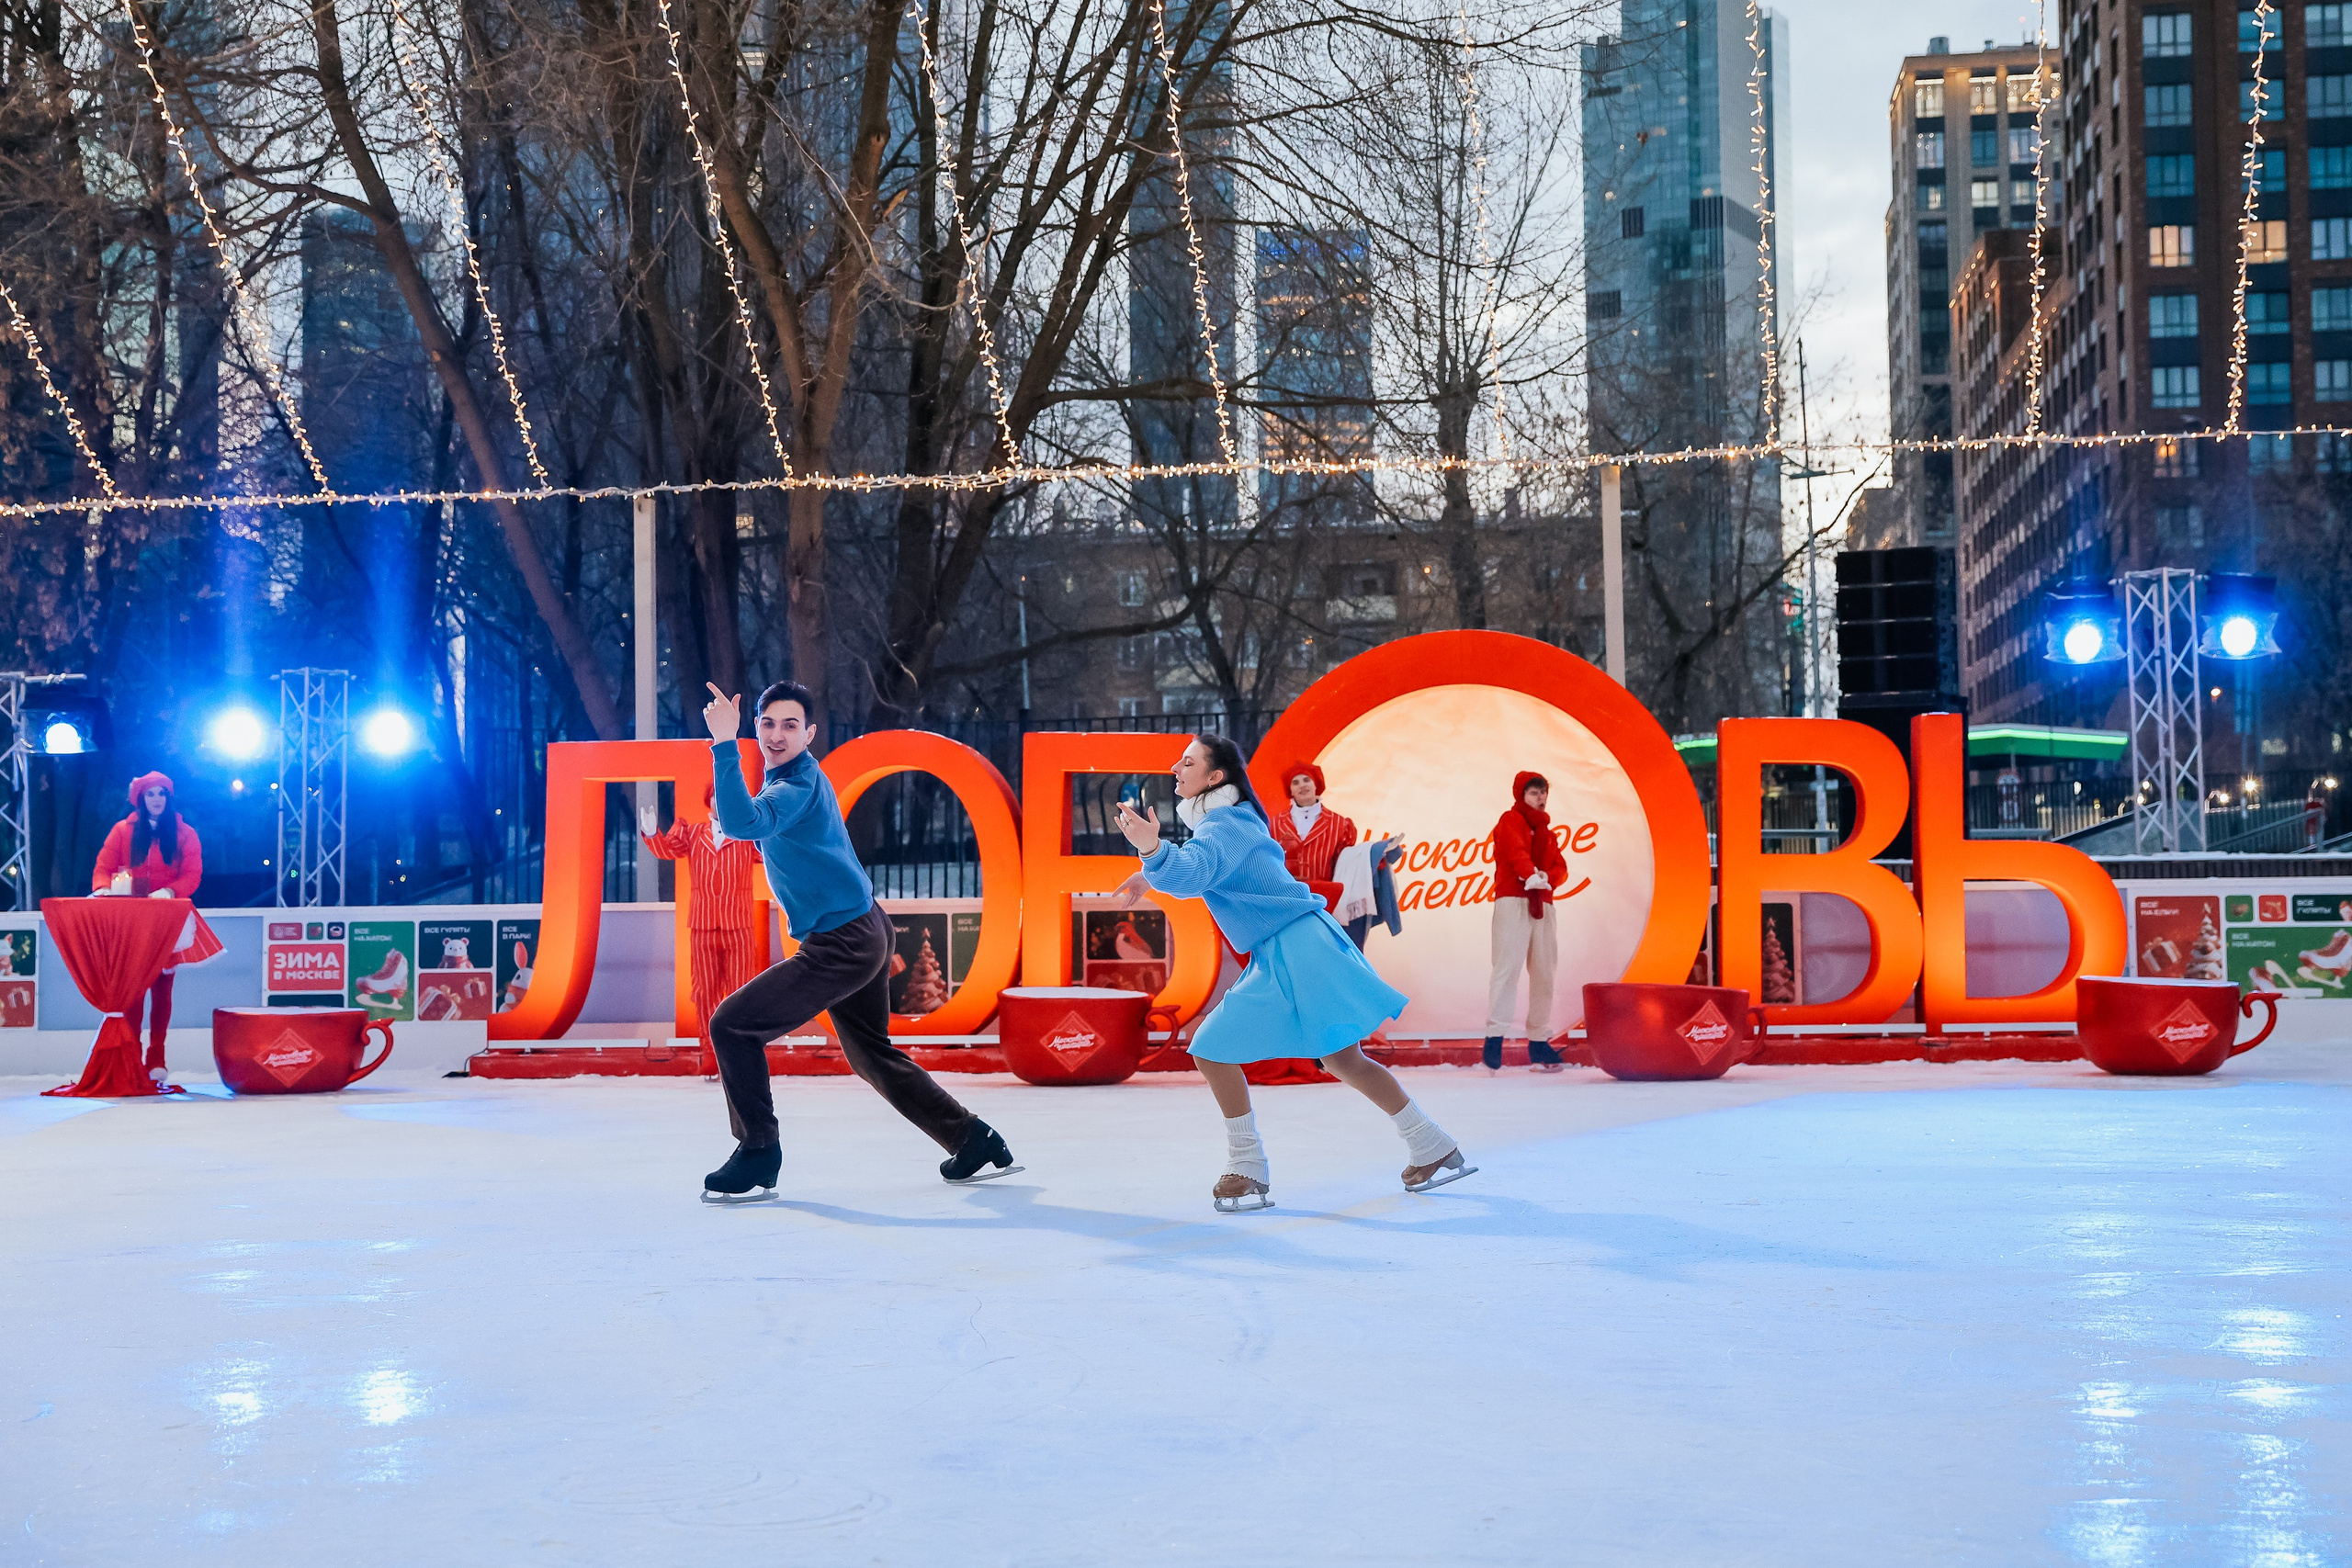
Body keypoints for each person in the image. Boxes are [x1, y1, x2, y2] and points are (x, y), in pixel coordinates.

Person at [1114, 735, 1472, 1212]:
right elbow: (1202, 866)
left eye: (1188, 762)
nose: (1176, 768)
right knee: (1343, 1059)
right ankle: (1431, 1145)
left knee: (1212, 1047)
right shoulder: (1226, 822)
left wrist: (1152, 850)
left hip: (1297, 945)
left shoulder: (1227, 823)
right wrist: (1153, 865)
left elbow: (1197, 871)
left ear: (1215, 777)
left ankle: (1247, 1165)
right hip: (1293, 943)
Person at [696, 680, 1019, 1202]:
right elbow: (759, 829)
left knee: (732, 1025)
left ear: (810, 733)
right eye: (768, 723)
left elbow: (742, 822)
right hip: (864, 927)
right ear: (758, 727)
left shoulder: (795, 785)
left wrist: (722, 743)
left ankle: (758, 1152)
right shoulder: (790, 780)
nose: (778, 734)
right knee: (871, 1054)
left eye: (791, 725)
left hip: (842, 942)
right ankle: (972, 1138)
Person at [90, 772, 221, 1083]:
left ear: (169, 797)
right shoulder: (123, 831)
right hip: (131, 918)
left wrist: (171, 891)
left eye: (162, 794)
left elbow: (193, 873)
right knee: (133, 988)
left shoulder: (184, 832)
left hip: (166, 917)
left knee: (161, 988)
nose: (157, 799)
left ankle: (157, 1054)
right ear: (141, 798)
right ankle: (132, 1053)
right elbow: (103, 867)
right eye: (151, 794)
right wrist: (103, 888)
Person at [640, 783, 766, 1071]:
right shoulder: (692, 833)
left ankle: (741, 1053)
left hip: (739, 925)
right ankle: (711, 1055)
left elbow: (775, 854)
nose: (721, 804)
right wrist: (650, 833)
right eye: (717, 798)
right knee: (705, 992)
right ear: (708, 801)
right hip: (703, 925)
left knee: (741, 991)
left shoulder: (748, 837)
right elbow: (666, 850)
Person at [1485, 770, 1567, 1073]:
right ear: (1521, 795)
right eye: (1534, 793)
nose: (1540, 798)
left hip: (1543, 904)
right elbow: (1515, 850)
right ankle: (1494, 1038)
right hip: (1514, 901)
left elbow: (1561, 867)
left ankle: (1538, 1041)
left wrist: (1545, 877)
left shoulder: (1548, 833)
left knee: (1545, 971)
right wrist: (1530, 875)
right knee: (1507, 968)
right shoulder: (1510, 821)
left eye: (1543, 792)